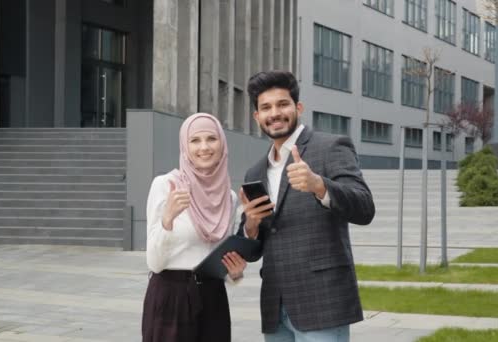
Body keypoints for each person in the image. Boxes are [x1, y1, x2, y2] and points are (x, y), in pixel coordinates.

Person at [239, 70, 375, 342]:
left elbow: (364, 207)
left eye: (282, 104)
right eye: (265, 107)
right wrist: (251, 226)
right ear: (257, 116)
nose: (274, 113)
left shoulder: (331, 147)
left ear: (298, 107)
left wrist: (319, 185)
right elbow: (255, 250)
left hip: (321, 301)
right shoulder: (255, 172)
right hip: (275, 306)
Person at [142, 113, 247, 342]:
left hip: (213, 296)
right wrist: (167, 219)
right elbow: (154, 262)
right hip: (172, 296)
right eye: (195, 140)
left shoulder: (228, 197)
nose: (204, 147)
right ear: (184, 146)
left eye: (211, 138)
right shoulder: (166, 185)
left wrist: (235, 274)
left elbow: (221, 257)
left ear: (222, 144)